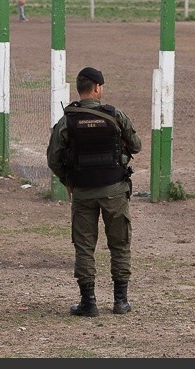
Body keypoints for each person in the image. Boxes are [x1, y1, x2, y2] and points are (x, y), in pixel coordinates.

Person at [46, 66, 142, 317]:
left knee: (84, 247)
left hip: (82, 192)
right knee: (119, 245)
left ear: (80, 89)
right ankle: (121, 301)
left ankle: (88, 303)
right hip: (114, 191)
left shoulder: (67, 120)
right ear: (98, 88)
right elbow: (137, 145)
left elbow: (53, 158)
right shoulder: (115, 115)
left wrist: (68, 181)